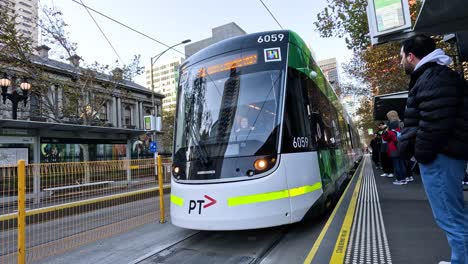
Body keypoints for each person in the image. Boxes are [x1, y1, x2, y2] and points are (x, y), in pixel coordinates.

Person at [398, 34, 468, 264]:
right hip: (445, 155)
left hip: (440, 158)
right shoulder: (435, 74)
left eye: (401, 57)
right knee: (452, 215)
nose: (400, 63)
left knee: (450, 217)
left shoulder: (432, 77)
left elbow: (434, 123)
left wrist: (421, 153)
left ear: (411, 56)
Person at [382, 110, 408, 185]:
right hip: (402, 146)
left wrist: (385, 132)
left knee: (396, 164)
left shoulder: (390, 124)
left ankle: (399, 179)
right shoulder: (401, 123)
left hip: (394, 148)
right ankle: (404, 179)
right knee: (402, 163)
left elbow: (386, 138)